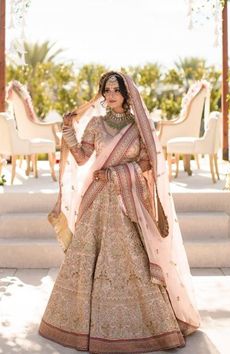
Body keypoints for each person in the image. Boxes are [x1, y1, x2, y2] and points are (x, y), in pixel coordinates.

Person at [39, 71, 200, 353]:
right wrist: (68, 132)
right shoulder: (95, 125)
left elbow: (149, 164)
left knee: (134, 257)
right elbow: (81, 158)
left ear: (127, 94)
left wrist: (115, 174)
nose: (111, 95)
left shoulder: (139, 127)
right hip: (97, 201)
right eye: (107, 90)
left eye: (116, 90)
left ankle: (149, 325)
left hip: (128, 202)